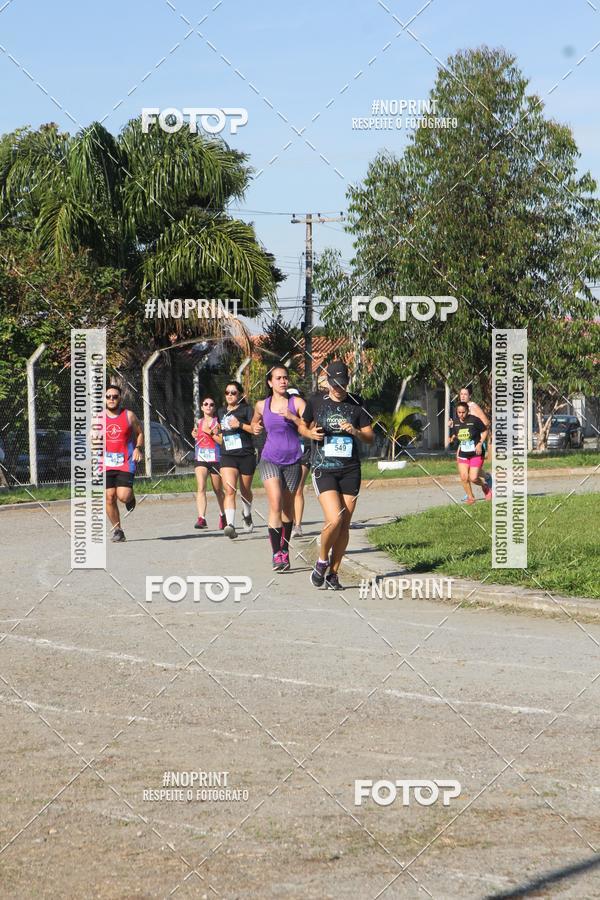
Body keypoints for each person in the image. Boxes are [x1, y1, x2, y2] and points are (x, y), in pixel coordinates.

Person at [299, 361, 374, 589]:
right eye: (334, 384)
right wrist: (310, 432)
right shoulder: (315, 401)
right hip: (324, 468)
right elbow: (302, 426)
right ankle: (322, 561)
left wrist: (356, 431)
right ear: (327, 381)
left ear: (347, 382)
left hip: (350, 469)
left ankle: (333, 573)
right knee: (334, 518)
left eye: (341, 385)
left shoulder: (357, 403)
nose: (337, 389)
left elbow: (370, 437)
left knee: (344, 525)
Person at [252, 367, 305, 571]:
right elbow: (254, 424)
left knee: (287, 509)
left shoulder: (297, 403)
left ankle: (285, 549)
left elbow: (307, 426)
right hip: (269, 459)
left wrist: (292, 417)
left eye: (285, 377)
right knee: (275, 503)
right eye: (278, 378)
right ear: (270, 383)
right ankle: (277, 553)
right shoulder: (261, 405)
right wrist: (255, 428)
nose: (283, 381)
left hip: (293, 461)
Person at [97, 385, 143, 542]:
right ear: (104, 399)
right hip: (106, 463)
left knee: (122, 496)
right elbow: (94, 437)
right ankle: (118, 530)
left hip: (125, 461)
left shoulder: (129, 416)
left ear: (120, 398)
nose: (111, 399)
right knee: (109, 497)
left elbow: (140, 433)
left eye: (115, 396)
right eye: (108, 396)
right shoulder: (99, 418)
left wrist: (138, 448)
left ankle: (130, 498)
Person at [217, 380, 256, 539]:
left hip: (246, 455)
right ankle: (230, 525)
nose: (230, 395)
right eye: (227, 393)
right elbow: (221, 437)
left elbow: (254, 430)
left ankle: (246, 514)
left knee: (245, 490)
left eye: (233, 392)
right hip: (228, 456)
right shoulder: (220, 412)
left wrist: (239, 424)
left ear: (240, 394)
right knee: (230, 490)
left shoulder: (247, 410)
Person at [191, 396, 225, 530]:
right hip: (201, 459)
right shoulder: (198, 422)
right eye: (205, 404)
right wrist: (194, 435)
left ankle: (223, 515)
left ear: (214, 408)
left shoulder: (218, 423)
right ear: (201, 407)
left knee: (218, 490)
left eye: (211, 404)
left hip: (216, 459)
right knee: (201, 487)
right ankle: (201, 518)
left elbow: (222, 441)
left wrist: (210, 432)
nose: (208, 406)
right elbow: (197, 438)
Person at [448, 402, 492, 504]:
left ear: (467, 411)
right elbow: (456, 435)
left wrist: (480, 443)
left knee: (473, 478)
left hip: (476, 453)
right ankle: (470, 497)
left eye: (463, 412)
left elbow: (485, 430)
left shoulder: (474, 420)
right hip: (463, 453)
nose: (461, 415)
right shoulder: (456, 422)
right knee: (464, 477)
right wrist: (451, 438)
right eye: (459, 412)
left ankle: (485, 487)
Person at [287, 388, 310, 537]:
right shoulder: (280, 412)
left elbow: (309, 427)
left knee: (298, 488)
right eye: (290, 397)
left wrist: (294, 418)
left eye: (296, 397)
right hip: (287, 453)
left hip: (303, 451)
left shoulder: (306, 412)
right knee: (288, 491)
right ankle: (288, 522)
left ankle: (298, 525)